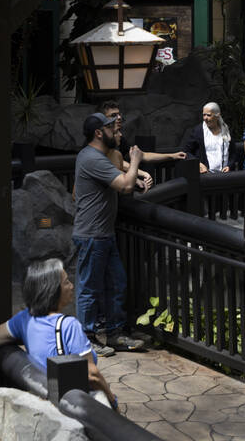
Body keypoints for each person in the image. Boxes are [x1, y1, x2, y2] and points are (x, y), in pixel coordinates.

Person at [0, 258, 118, 409]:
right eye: (66, 282)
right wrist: (112, 400)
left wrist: (25, 335)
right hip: (72, 404)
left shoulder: (25, 319)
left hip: (43, 396)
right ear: (52, 290)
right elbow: (92, 375)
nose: (71, 286)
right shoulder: (70, 326)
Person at [73, 112, 150, 353]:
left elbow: (118, 181)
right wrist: (135, 160)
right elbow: (124, 186)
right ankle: (88, 338)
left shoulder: (99, 157)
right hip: (91, 235)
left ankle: (115, 334)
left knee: (116, 282)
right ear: (99, 133)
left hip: (104, 233)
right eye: (112, 130)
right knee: (89, 288)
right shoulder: (91, 158)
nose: (118, 134)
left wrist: (131, 179)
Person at [96, 100, 187, 174]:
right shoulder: (99, 141)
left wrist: (172, 156)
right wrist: (141, 174)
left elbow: (144, 155)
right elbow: (117, 164)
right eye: (113, 115)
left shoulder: (119, 137)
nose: (119, 117)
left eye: (119, 114)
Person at [180, 102, 233, 173]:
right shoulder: (198, 131)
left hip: (224, 175)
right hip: (206, 175)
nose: (205, 118)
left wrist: (229, 165)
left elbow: (233, 152)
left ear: (217, 115)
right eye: (204, 115)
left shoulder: (225, 129)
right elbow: (186, 151)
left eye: (208, 115)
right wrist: (199, 164)